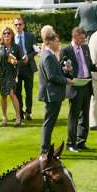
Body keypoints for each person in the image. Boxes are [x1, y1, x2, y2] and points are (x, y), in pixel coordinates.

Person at [34, 26, 67, 155]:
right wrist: (66, 80)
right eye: (56, 41)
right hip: (51, 94)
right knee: (49, 123)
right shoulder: (47, 56)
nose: (58, 43)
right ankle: (44, 149)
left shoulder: (49, 55)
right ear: (49, 42)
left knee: (50, 122)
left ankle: (45, 148)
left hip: (53, 93)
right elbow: (51, 76)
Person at [62, 26, 94, 152]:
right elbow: (62, 69)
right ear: (74, 36)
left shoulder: (85, 48)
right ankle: (71, 143)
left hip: (86, 83)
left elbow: (89, 65)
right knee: (74, 115)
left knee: (85, 115)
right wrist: (67, 73)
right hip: (75, 85)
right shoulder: (66, 50)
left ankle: (81, 141)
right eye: (81, 38)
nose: (83, 40)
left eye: (84, 38)